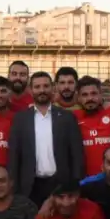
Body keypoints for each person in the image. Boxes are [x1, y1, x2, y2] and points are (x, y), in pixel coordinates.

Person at [7, 71, 84, 203]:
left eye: (46, 86)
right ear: (30, 90)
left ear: (52, 88)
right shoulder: (20, 119)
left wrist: (76, 183)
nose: (42, 90)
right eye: (37, 87)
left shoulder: (67, 117)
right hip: (30, 186)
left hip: (61, 185)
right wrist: (14, 186)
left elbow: (76, 153)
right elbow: (14, 155)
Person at [74, 76, 110, 177]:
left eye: (94, 93)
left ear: (101, 94)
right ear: (78, 98)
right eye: (85, 95)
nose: (90, 98)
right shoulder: (74, 117)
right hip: (87, 180)